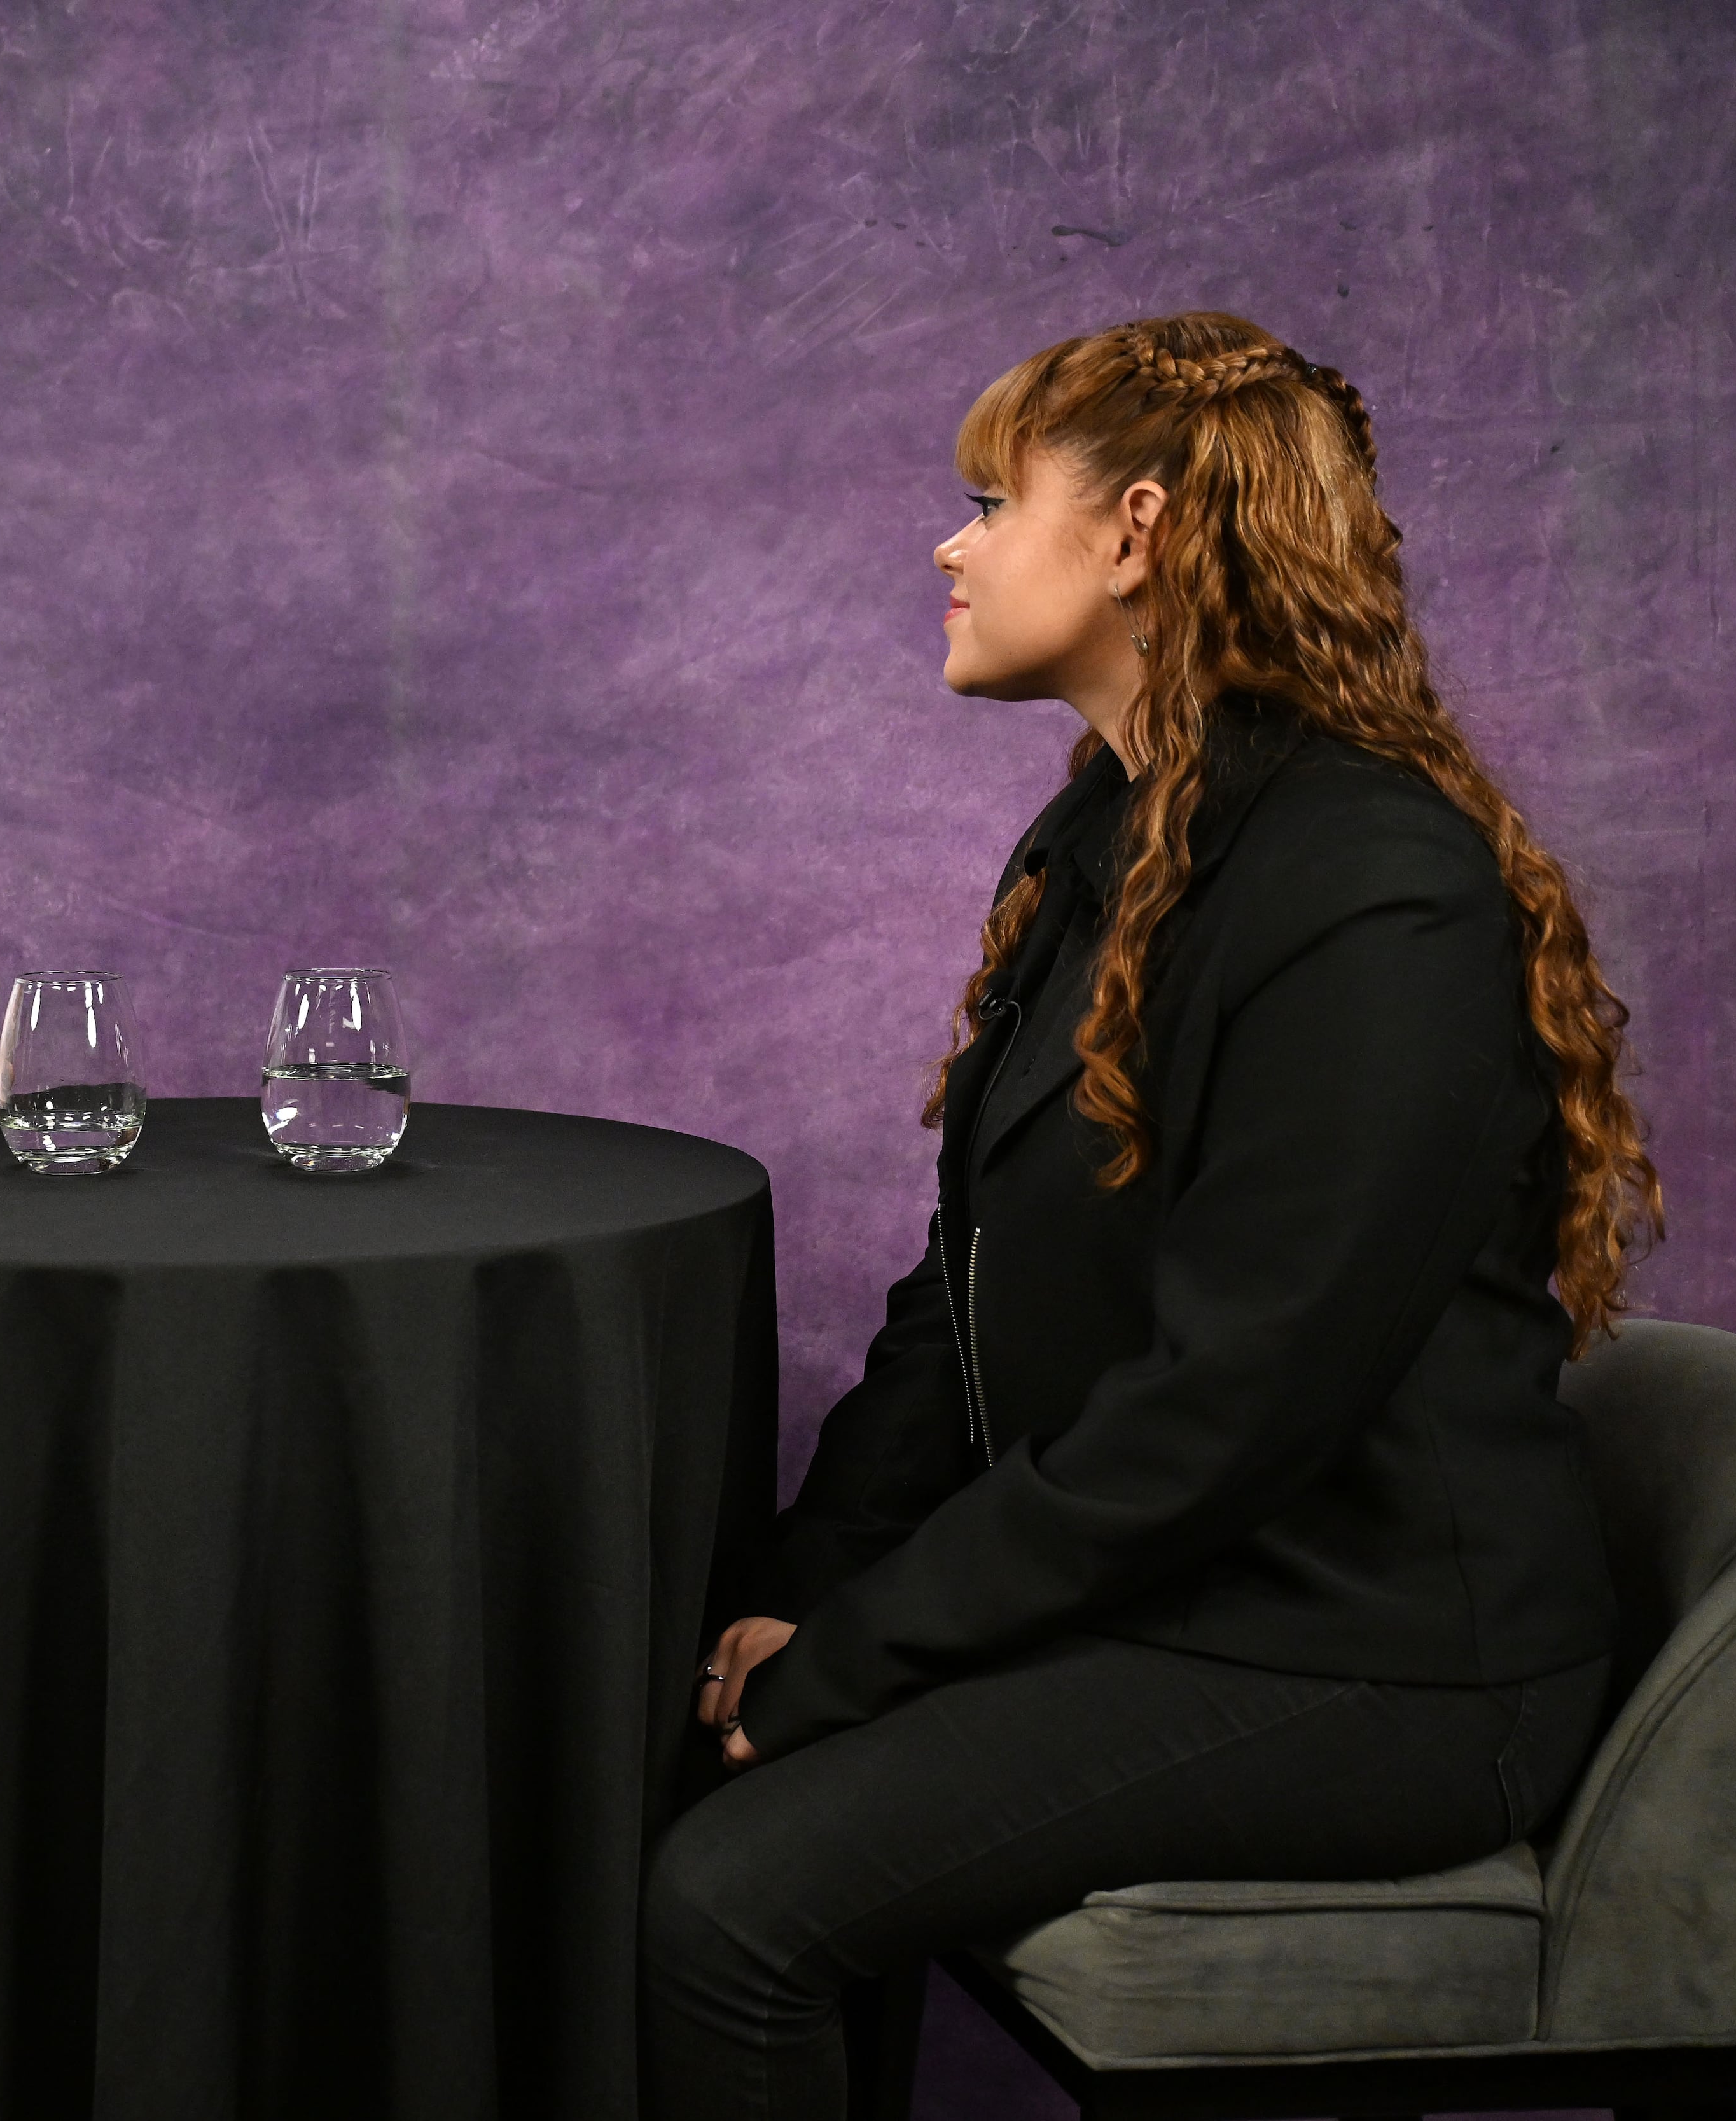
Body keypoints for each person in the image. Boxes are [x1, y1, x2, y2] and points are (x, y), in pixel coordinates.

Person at [637, 312, 1663, 2119]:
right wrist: (806, 1606)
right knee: (692, 1776)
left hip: (1375, 1653)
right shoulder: (1110, 837)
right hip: (1191, 1587)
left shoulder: (1375, 885)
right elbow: (957, 1303)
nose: (948, 548)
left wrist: (860, 1661)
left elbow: (1236, 1404)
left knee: (736, 1905)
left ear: (1135, 532)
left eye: (985, 502)